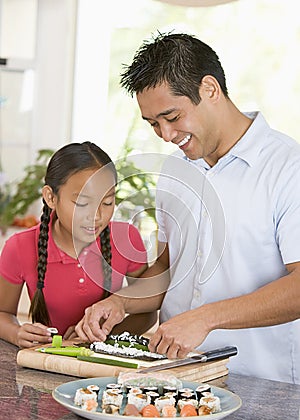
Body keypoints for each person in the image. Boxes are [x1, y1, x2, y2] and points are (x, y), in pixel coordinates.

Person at [76, 33, 300, 384]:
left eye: (172, 116)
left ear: (210, 89)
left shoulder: (288, 168)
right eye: (153, 124)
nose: (165, 134)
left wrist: (205, 318)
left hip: (262, 383)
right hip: (173, 379)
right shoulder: (174, 169)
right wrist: (122, 302)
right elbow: (168, 266)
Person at [0, 141, 157, 348]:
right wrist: (17, 332)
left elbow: (147, 312)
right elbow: (3, 314)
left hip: (104, 362)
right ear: (51, 197)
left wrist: (99, 337)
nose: (97, 216)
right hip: (48, 362)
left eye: (108, 202)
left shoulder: (127, 238)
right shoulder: (20, 246)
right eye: (83, 203)